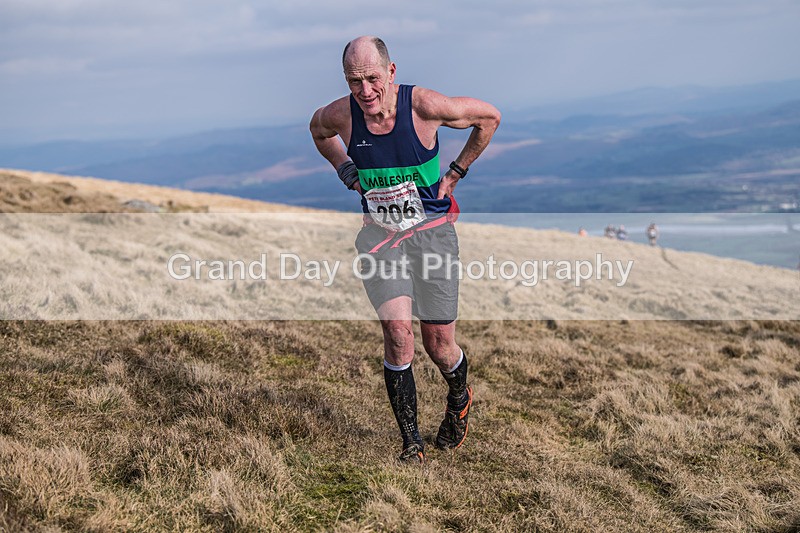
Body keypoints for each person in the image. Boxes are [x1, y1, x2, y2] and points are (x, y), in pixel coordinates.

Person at [310, 36, 501, 463]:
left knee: (439, 345)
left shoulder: (425, 106)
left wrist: (456, 172)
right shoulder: (342, 115)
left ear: (391, 73)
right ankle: (411, 443)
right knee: (398, 336)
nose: (365, 91)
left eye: (373, 79)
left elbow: (488, 117)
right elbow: (317, 130)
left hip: (432, 236)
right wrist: (345, 169)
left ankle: (458, 395)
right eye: (354, 81)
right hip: (379, 238)